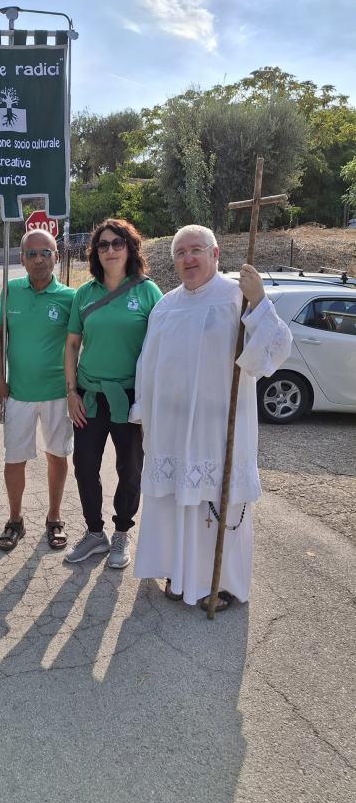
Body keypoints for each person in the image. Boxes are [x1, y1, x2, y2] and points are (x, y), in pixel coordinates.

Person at [130, 225, 292, 611]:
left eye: (196, 250)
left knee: (215, 503)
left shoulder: (236, 297)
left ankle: (222, 584)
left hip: (218, 428)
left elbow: (274, 350)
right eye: (181, 253)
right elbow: (147, 365)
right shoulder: (166, 305)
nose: (188, 258)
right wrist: (145, 410)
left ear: (215, 254)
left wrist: (260, 302)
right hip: (171, 429)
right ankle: (179, 571)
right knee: (176, 500)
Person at [64, 219, 163, 568]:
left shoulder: (148, 292)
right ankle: (95, 534)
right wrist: (71, 391)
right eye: (103, 245)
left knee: (130, 468)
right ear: (96, 252)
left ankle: (122, 533)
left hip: (132, 397)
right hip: (89, 396)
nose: (110, 250)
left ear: (130, 247)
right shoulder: (85, 293)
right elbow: (72, 344)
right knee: (84, 466)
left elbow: (163, 345)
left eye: (117, 243)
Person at [0, 229, 75, 551]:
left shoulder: (70, 297)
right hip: (19, 395)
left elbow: (78, 343)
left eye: (46, 252)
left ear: (56, 256)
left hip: (57, 393)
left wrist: (75, 389)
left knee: (58, 456)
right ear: (21, 259)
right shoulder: (9, 290)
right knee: (14, 460)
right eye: (31, 254)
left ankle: (54, 518)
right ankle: (15, 520)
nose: (39, 259)